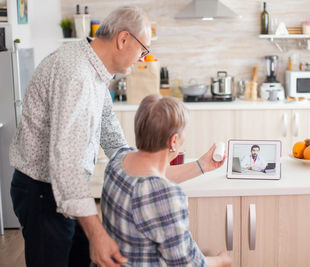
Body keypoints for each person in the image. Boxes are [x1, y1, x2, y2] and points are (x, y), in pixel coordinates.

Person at [9, 6, 222, 267]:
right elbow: (66, 165)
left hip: (63, 191)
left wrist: (132, 160)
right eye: (143, 50)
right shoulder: (78, 77)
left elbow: (107, 121)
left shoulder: (93, 66)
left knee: (78, 254)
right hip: (43, 192)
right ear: (123, 39)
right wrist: (97, 233)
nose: (143, 58)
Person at [101, 95, 231, 266]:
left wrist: (201, 165)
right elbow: (187, 264)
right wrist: (222, 260)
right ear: (174, 141)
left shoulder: (118, 160)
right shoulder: (166, 195)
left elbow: (150, 177)